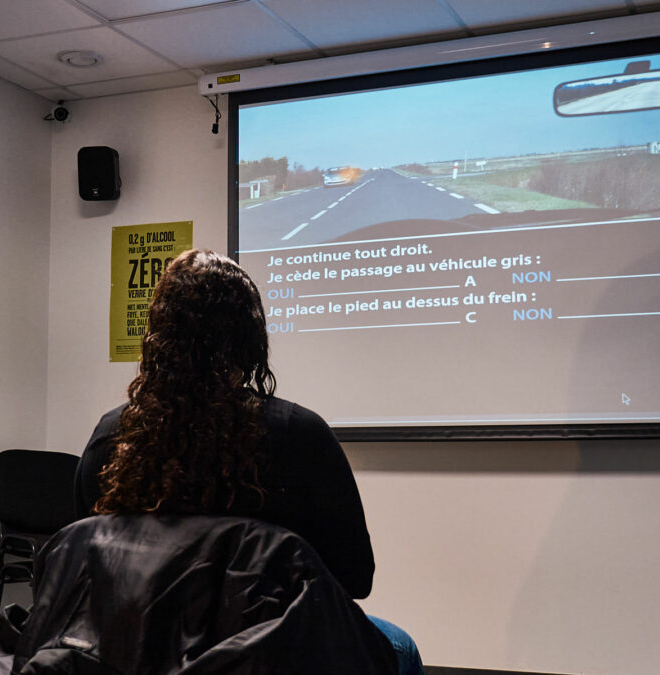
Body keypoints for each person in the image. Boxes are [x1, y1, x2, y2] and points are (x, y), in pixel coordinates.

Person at [76, 249, 424, 675]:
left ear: (159, 337)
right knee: (400, 647)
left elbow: (83, 565)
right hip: (270, 658)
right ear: (249, 338)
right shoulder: (298, 434)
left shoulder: (111, 438)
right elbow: (355, 578)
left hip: (137, 652)